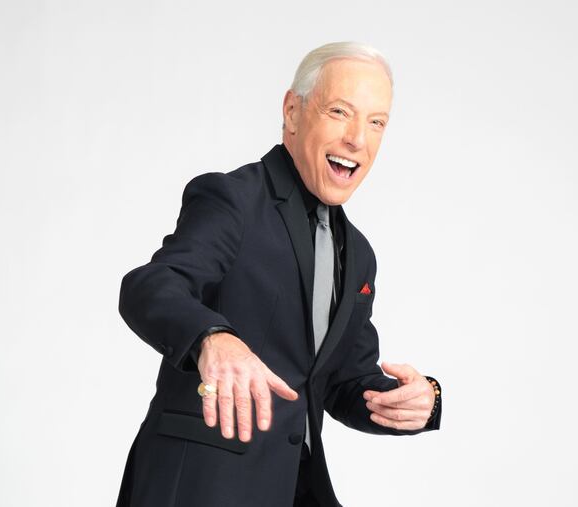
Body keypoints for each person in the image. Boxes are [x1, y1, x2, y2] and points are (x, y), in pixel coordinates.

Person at [115, 41, 442, 507]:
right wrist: (212, 338)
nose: (357, 139)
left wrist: (417, 402)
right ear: (292, 111)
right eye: (340, 112)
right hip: (202, 487)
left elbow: (343, 383)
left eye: (376, 123)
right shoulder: (234, 200)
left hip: (294, 488)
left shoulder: (359, 255)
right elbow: (150, 285)